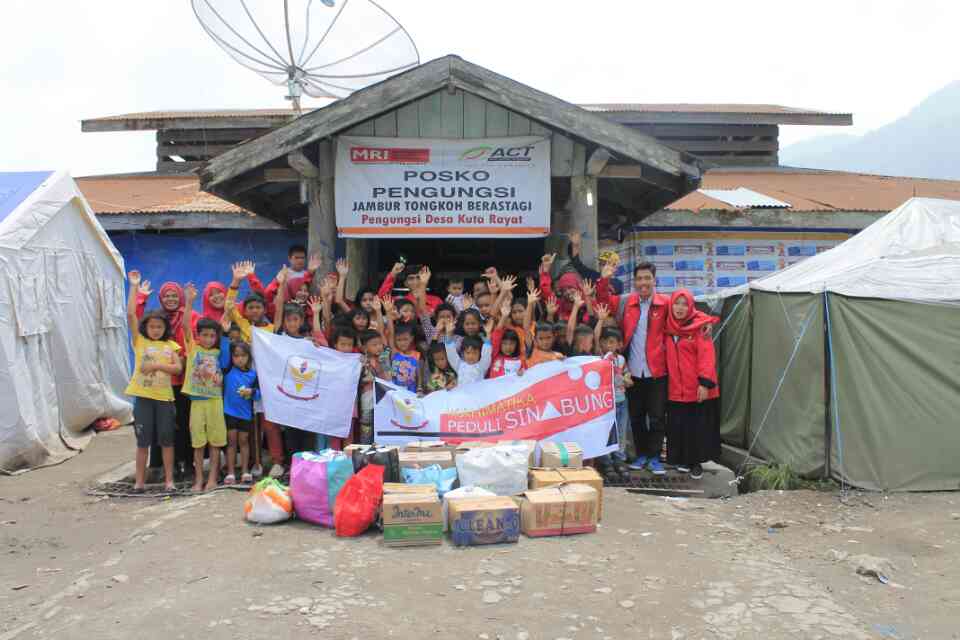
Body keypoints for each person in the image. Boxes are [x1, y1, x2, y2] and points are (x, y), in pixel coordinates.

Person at [596, 261, 669, 474]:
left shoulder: (665, 303)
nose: (643, 282)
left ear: (655, 280)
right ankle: (642, 454)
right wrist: (605, 280)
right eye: (639, 279)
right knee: (636, 417)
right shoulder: (626, 302)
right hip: (632, 372)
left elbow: (685, 315)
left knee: (656, 417)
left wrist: (704, 325)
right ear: (634, 281)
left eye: (647, 278)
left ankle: (655, 458)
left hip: (657, 371)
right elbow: (602, 303)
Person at [125, 271, 182, 492]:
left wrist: (157, 366)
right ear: (146, 328)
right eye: (152, 327)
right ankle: (140, 481)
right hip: (144, 399)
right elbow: (131, 314)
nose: (156, 330)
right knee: (142, 443)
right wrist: (134, 287)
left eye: (160, 327)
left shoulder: (171, 346)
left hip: (165, 400)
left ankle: (169, 481)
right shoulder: (139, 342)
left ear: (165, 328)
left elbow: (178, 368)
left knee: (167, 441)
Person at [134, 278, 195, 476]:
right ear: (161, 298)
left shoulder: (190, 315)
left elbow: (193, 337)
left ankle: (187, 462)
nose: (171, 299)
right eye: (167, 296)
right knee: (161, 424)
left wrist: (185, 358)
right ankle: (162, 465)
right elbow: (135, 319)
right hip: (159, 383)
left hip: (183, 379)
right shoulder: (157, 319)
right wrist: (141, 297)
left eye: (174, 295)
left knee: (184, 423)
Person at [664, 289, 720, 480]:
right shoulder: (666, 326)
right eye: (676, 303)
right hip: (674, 388)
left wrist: (704, 384)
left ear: (691, 306)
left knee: (695, 427)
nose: (679, 308)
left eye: (684, 304)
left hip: (695, 388)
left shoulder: (700, 327)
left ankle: (695, 463)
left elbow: (706, 356)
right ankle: (680, 460)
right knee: (678, 425)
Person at [182, 284, 229, 492]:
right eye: (205, 335)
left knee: (216, 442)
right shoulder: (193, 349)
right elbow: (185, 326)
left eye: (213, 336)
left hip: (215, 401)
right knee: (198, 443)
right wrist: (189, 301)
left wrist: (225, 333)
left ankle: (212, 479)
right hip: (197, 403)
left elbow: (227, 362)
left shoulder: (220, 352)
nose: (209, 339)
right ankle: (198, 480)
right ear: (198, 335)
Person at [593, 304, 632, 479]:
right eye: (605, 342)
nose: (608, 345)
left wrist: (627, 379)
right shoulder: (601, 359)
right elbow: (594, 337)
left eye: (612, 342)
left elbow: (628, 377)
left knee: (620, 432)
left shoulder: (622, 359)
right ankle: (606, 462)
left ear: (619, 345)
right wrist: (600, 320)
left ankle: (619, 459)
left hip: (621, 401)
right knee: (605, 432)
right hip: (605, 404)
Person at [221, 338, 258, 485]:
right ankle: (230, 472)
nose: (240, 359)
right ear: (231, 357)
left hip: (246, 414)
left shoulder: (253, 374)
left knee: (243, 441)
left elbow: (259, 393)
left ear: (249, 356)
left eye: (243, 355)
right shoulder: (228, 369)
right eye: (236, 355)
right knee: (231, 442)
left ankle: (244, 471)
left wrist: (251, 391)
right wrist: (224, 333)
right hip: (229, 412)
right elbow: (224, 351)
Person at [567, 231, 624, 295]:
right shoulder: (594, 276)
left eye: (604, 263)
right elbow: (577, 264)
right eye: (600, 263)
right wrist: (575, 245)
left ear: (614, 266)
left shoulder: (618, 284)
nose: (601, 266)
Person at [378, 261, 444, 313]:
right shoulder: (400, 301)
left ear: (426, 279)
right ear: (405, 283)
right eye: (411, 278)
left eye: (418, 277)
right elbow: (383, 298)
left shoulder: (436, 301)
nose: (415, 281)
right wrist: (393, 274)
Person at [488, 300, 526, 378]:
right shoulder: (495, 355)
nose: (508, 347)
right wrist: (504, 316)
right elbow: (497, 334)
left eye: (512, 344)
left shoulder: (521, 360)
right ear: (500, 344)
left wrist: (522, 373)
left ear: (517, 345)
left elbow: (524, 374)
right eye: (504, 343)